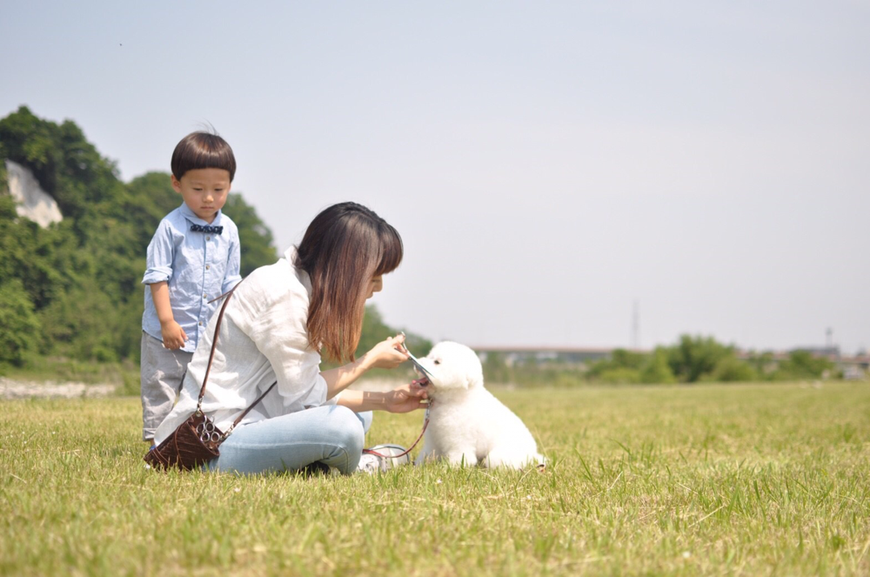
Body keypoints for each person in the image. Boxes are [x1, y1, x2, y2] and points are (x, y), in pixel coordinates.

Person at [152, 202, 428, 475]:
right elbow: (307, 397)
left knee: (361, 414)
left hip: (252, 421)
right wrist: (369, 361)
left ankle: (319, 462)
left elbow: (301, 393)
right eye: (374, 276)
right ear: (347, 269)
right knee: (342, 427)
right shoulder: (285, 297)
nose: (378, 287)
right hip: (213, 444)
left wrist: (386, 400)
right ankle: (354, 466)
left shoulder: (297, 286)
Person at [140, 131, 242, 446]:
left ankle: (197, 443)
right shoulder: (170, 228)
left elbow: (231, 283)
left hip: (208, 334)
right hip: (166, 332)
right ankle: (157, 445)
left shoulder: (230, 231)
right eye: (198, 189)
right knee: (162, 386)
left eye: (218, 189)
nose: (208, 197)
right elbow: (157, 277)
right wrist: (168, 322)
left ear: (229, 186)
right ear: (177, 184)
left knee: (204, 389)